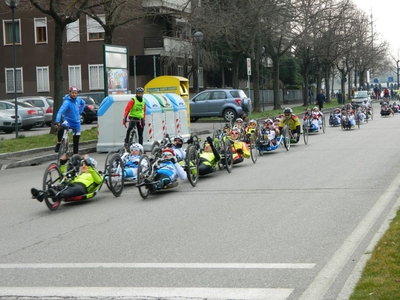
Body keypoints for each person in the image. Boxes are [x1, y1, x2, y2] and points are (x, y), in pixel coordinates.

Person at [31, 154, 102, 208]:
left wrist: (89, 165)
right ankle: (41, 195)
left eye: (85, 164)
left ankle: (57, 195)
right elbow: (61, 179)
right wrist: (62, 164)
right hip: (72, 184)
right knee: (60, 186)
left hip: (82, 188)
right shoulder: (78, 175)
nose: (83, 166)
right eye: (82, 164)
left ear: (92, 166)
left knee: (71, 190)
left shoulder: (95, 175)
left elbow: (99, 181)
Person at [54, 86, 86, 154]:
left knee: (76, 140)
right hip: (68, 121)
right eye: (72, 93)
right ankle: (59, 143)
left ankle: (75, 155)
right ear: (69, 93)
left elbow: (83, 103)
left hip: (76, 122)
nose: (74, 94)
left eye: (75, 93)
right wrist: (57, 121)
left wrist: (80, 112)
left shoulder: (78, 100)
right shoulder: (67, 102)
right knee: (61, 129)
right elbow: (60, 112)